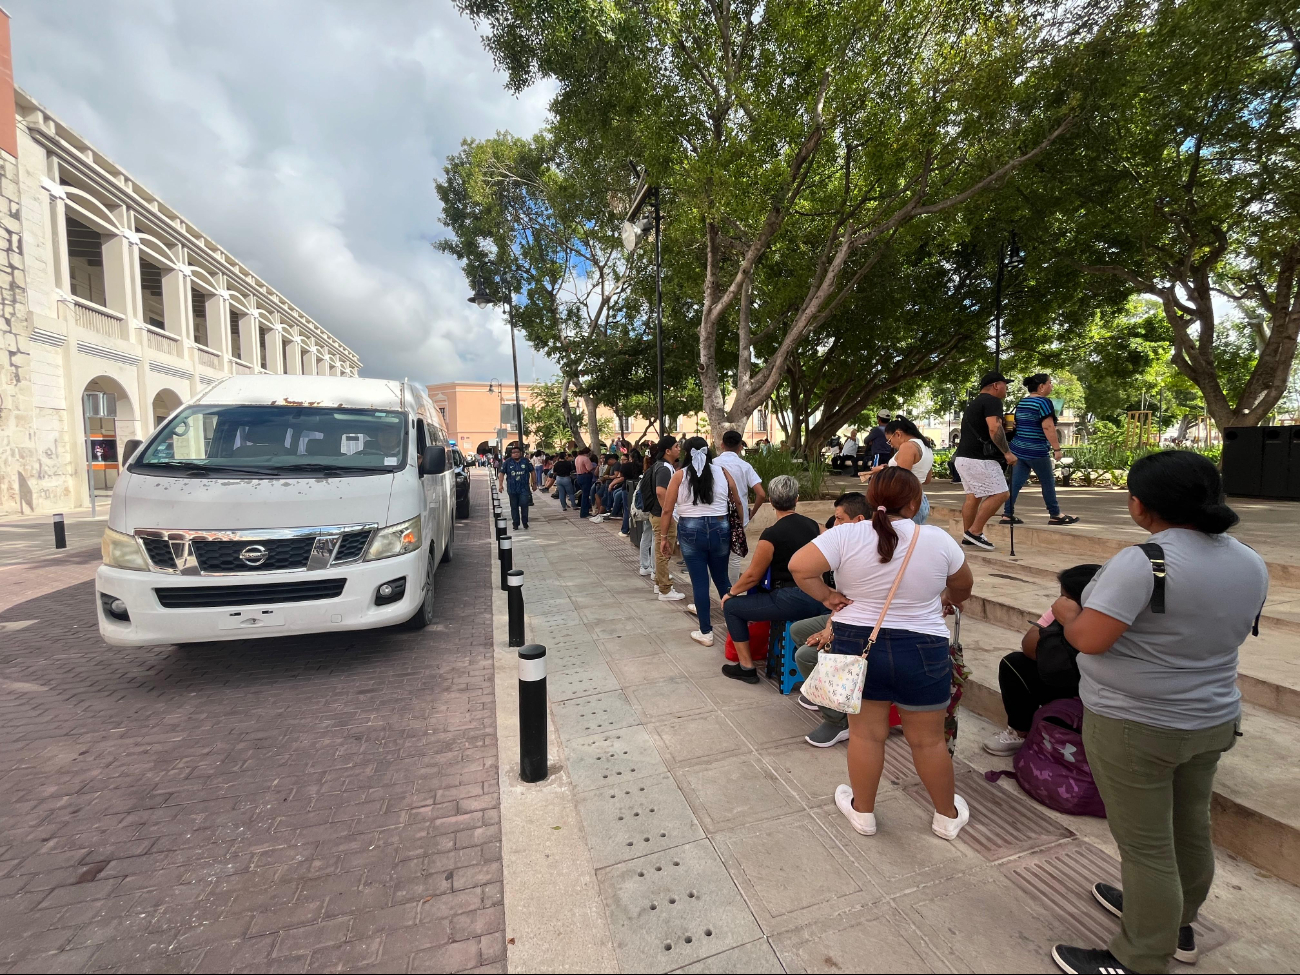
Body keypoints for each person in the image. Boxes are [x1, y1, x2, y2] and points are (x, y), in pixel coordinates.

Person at [1048, 452, 1268, 975]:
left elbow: (1090, 640)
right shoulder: (1249, 559)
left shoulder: (1145, 561)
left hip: (1136, 725)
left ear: (1141, 505)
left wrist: (1067, 613)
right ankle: (1176, 922)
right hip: (1212, 717)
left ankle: (1139, 957)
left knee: (1146, 847)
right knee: (1190, 829)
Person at [789, 467, 974, 841]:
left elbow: (799, 566)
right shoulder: (936, 539)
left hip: (857, 643)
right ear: (915, 501)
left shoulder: (845, 534)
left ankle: (863, 813)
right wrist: (943, 598)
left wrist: (827, 597)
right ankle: (946, 816)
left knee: (866, 736)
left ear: (872, 499)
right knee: (928, 740)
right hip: (922, 646)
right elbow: (963, 587)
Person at [983, 563, 1101, 755]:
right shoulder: (1064, 610)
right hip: (1061, 680)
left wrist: (1074, 623)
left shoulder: (1109, 620)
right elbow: (1029, 647)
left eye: (1066, 597)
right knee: (1014, 664)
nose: (1060, 601)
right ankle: (1020, 731)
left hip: (1096, 692)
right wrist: (1061, 620)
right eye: (1061, 596)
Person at [718, 475, 824, 682]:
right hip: (819, 597)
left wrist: (731, 593)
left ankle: (746, 667)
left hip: (788, 599)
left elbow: (752, 575)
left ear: (771, 502)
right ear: (797, 499)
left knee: (732, 607)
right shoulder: (815, 527)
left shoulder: (772, 534)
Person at [793, 495, 870, 746]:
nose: (834, 524)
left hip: (864, 625)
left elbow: (800, 568)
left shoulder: (870, 547)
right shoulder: (847, 539)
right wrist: (829, 624)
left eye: (839, 519)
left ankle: (838, 721)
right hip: (844, 614)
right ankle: (830, 691)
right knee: (799, 631)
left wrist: (831, 628)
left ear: (859, 520)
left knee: (805, 655)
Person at [658, 436, 743, 646]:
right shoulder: (723, 473)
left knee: (700, 582)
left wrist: (663, 538)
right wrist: (738, 526)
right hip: (720, 528)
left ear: (687, 453)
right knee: (722, 579)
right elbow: (738, 502)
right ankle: (738, 630)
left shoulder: (679, 476)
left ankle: (706, 632)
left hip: (690, 530)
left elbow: (667, 509)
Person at [1002, 374, 1080, 527]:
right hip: (1036, 450)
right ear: (1041, 386)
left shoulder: (1022, 402)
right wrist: (1057, 449)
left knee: (1015, 483)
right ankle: (1055, 514)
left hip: (1018, 449)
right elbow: (1048, 426)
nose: (1052, 386)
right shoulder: (1044, 403)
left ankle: (1007, 513)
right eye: (1050, 383)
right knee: (1047, 482)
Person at [953, 371, 1015, 551]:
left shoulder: (975, 403)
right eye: (1005, 384)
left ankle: (968, 535)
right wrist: (1007, 453)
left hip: (964, 457)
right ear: (996, 385)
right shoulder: (992, 401)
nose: (1006, 388)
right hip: (980, 459)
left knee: (973, 496)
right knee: (1002, 494)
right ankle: (975, 531)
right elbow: (994, 429)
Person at [714, 429, 768, 581]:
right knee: (735, 557)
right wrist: (752, 513)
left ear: (721, 444)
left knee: (716, 554)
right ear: (740, 447)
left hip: (717, 514)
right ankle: (732, 590)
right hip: (739, 515)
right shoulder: (745, 466)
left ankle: (719, 586)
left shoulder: (713, 464)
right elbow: (761, 494)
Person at [861, 418, 935, 524]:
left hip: (906, 503)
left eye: (889, 441)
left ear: (898, 434)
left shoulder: (908, 446)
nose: (891, 445)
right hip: (920, 500)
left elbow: (901, 478)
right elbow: (927, 480)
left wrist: (881, 470)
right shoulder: (926, 448)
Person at [646, 436, 686, 600]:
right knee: (664, 552)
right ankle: (665, 590)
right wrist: (669, 513)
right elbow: (661, 492)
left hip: (659, 514)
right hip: (662, 515)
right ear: (668, 451)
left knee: (661, 551)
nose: (679, 449)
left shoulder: (660, 466)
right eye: (676, 446)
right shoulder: (664, 468)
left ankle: (659, 583)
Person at [497, 445, 536, 530]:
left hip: (524, 488)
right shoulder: (507, 462)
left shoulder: (526, 461)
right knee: (514, 506)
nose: (516, 454)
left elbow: (532, 471)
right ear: (511, 454)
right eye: (514, 453)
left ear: (521, 453)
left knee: (524, 505)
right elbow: (502, 473)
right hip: (512, 489)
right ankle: (515, 523)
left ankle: (525, 522)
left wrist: (534, 483)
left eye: (517, 452)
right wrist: (500, 485)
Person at [574, 447, 596, 518]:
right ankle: (584, 513)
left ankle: (585, 511)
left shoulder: (577, 458)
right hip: (586, 476)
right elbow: (589, 468)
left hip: (579, 476)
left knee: (584, 494)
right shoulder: (586, 459)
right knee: (585, 495)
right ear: (588, 453)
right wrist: (595, 467)